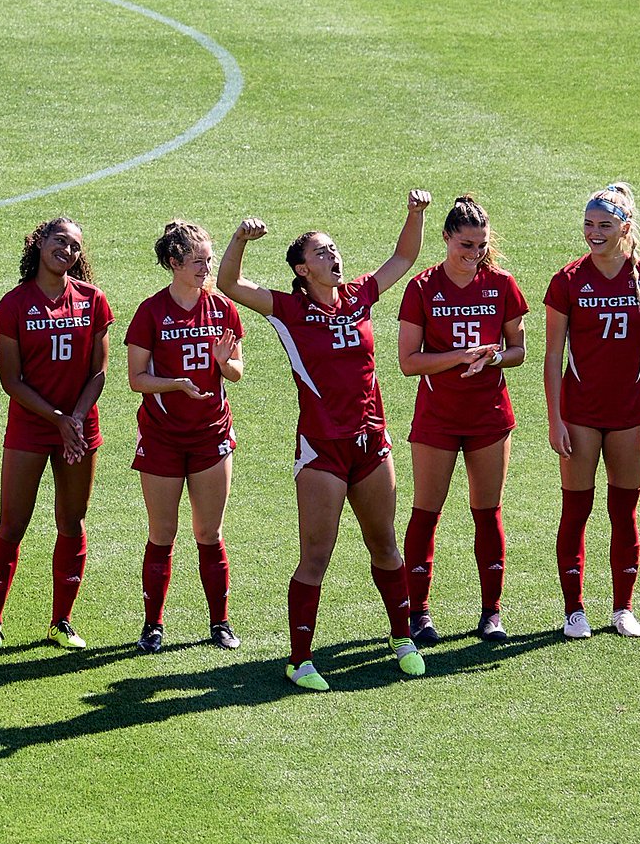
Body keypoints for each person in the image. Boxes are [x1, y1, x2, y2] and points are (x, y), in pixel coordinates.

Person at [219, 192, 431, 690]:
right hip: (321, 450)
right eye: (321, 253)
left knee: (385, 544)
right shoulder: (287, 309)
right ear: (301, 269)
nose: (333, 257)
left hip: (371, 440)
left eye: (333, 249)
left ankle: (402, 638)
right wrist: (240, 240)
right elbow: (228, 284)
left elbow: (403, 258)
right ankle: (300, 659)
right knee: (317, 554)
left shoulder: (358, 295)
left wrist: (414, 214)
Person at [542, 182, 640, 640]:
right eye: (588, 224)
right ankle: (574, 610)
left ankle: (622, 608)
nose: (593, 233)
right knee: (575, 509)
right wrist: (555, 418)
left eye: (604, 225)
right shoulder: (567, 279)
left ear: (626, 227)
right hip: (579, 413)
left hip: (630, 414)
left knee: (624, 511)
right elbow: (552, 354)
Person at [396, 195, 528, 644]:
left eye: (481, 246)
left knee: (487, 513)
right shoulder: (422, 287)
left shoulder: (502, 284)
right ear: (447, 237)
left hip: (490, 416)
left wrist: (492, 360)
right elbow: (408, 362)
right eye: (466, 245)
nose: (474, 255)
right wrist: (458, 357)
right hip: (437, 417)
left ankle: (491, 612)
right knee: (426, 513)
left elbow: (519, 351)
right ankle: (419, 614)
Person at [0, 217, 111, 651]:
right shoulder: (14, 304)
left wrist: (74, 418)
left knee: (71, 523)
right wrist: (59, 419)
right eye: (60, 241)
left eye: (75, 245)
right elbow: (10, 380)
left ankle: (62, 622)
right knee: (13, 524)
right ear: (38, 244)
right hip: (32, 427)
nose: (68, 250)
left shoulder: (93, 300)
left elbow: (99, 372)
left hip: (78, 425)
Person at [124, 219, 246, 653]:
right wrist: (175, 383)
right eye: (198, 262)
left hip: (212, 434)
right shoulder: (151, 311)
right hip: (162, 437)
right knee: (162, 533)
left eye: (209, 261)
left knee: (209, 533)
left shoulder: (222, 309)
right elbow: (136, 379)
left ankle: (220, 624)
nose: (206, 269)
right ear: (174, 263)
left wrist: (221, 362)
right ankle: (152, 626)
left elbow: (237, 371)